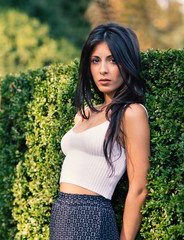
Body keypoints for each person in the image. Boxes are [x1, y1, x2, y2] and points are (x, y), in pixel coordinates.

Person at [49, 22, 150, 240]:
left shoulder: (131, 113)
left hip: (92, 217)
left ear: (127, 63)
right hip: (61, 214)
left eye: (112, 60)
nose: (103, 69)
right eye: (96, 60)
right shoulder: (85, 113)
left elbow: (139, 188)